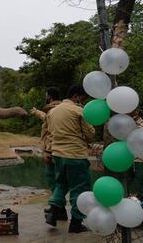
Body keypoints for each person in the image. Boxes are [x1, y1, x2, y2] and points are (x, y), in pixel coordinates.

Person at [44, 85, 95, 233]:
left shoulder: (52, 111)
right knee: (80, 188)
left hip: (58, 155)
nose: (83, 102)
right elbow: (90, 133)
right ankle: (76, 223)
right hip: (75, 156)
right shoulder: (79, 111)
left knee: (61, 184)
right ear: (76, 96)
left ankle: (53, 212)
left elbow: (49, 132)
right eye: (83, 98)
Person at [30, 87, 67, 220]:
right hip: (61, 151)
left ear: (50, 96)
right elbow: (45, 118)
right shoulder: (61, 108)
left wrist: (48, 152)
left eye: (46, 95)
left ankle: (56, 209)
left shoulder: (53, 110)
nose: (45, 96)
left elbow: (53, 132)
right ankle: (60, 210)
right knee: (59, 181)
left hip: (53, 152)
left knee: (55, 181)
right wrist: (36, 112)